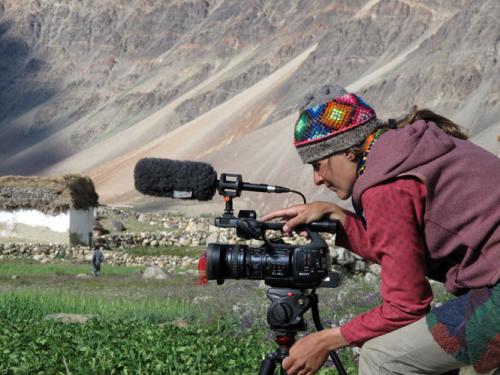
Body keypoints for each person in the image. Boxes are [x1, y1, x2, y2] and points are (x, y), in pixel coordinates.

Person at [262, 85, 500, 375]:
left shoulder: (385, 186)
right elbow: (403, 251)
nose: (316, 179)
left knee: (382, 358)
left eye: (317, 164)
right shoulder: (412, 149)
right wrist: (342, 220)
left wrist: (326, 340)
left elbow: (407, 306)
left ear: (347, 151)